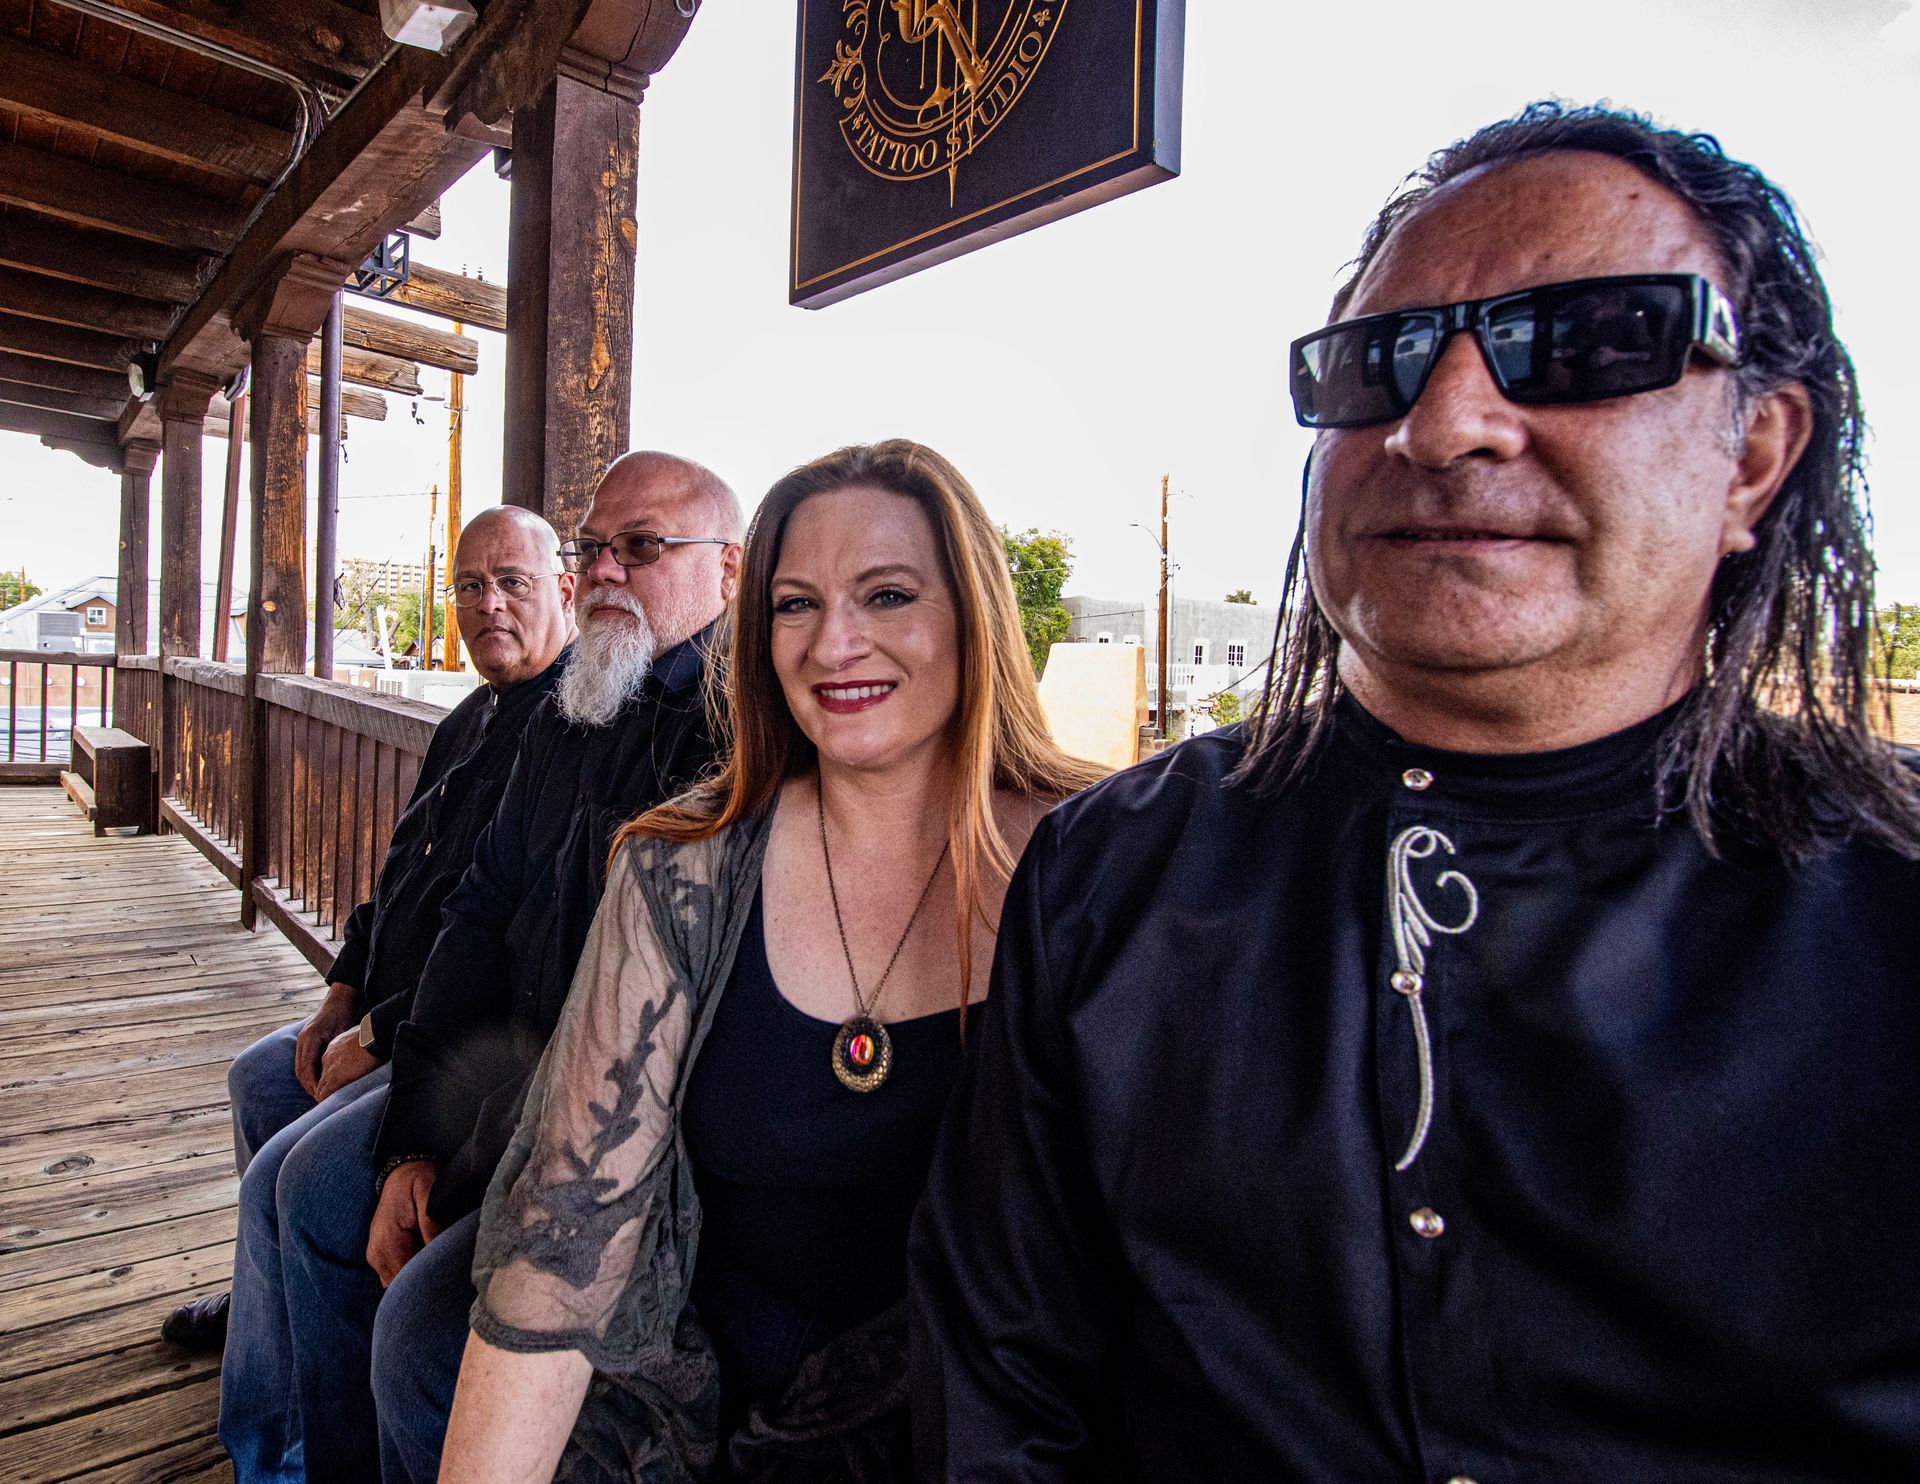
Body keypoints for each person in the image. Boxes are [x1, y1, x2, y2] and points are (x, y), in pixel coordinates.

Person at [912, 103, 1920, 1480]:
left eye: (1580, 343)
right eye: (1378, 366)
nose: (1443, 424)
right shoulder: (1114, 874)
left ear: (1753, 455)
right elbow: (999, 1397)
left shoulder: (1888, 901)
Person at [435, 440, 1106, 1482]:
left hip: (979, 1434)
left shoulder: (1099, 869)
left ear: (971, 612)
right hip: (692, 1415)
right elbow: (557, 1244)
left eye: (887, 594)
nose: (835, 642)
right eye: (796, 604)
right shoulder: (682, 869)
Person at [218, 452, 740, 1484]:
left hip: (605, 1138)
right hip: (488, 1088)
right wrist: (412, 1133)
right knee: (310, 1166)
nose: (606, 572)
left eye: (641, 547)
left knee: (395, 1307)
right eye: (596, 546)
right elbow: (471, 911)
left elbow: (627, 1035)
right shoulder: (566, 710)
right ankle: (287, 1440)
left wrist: (441, 1156)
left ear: (728, 571)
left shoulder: (733, 736)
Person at [169, 505, 575, 1358]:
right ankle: (267, 1306)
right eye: (470, 587)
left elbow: (500, 940)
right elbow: (399, 878)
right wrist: (338, 995)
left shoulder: (569, 732)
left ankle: (279, 1437)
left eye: (512, 584)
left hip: (446, 1036)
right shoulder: (471, 715)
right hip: (381, 1008)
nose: (488, 605)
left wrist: (381, 1029)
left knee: (302, 1182)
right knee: (261, 1078)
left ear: (565, 591)